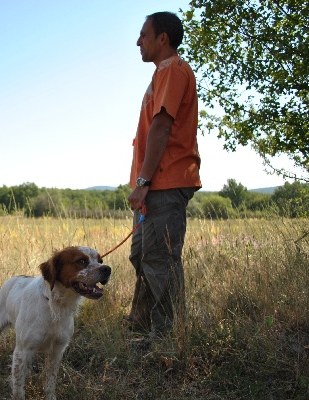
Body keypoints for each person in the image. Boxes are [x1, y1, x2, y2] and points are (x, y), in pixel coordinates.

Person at [126, 11, 201, 341]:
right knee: (140, 254)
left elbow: (162, 124)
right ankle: (141, 323)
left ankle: (167, 339)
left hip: (164, 184)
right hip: (154, 187)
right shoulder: (162, 74)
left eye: (144, 34)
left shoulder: (172, 69)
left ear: (162, 39)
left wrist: (143, 183)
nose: (138, 41)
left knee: (159, 260)